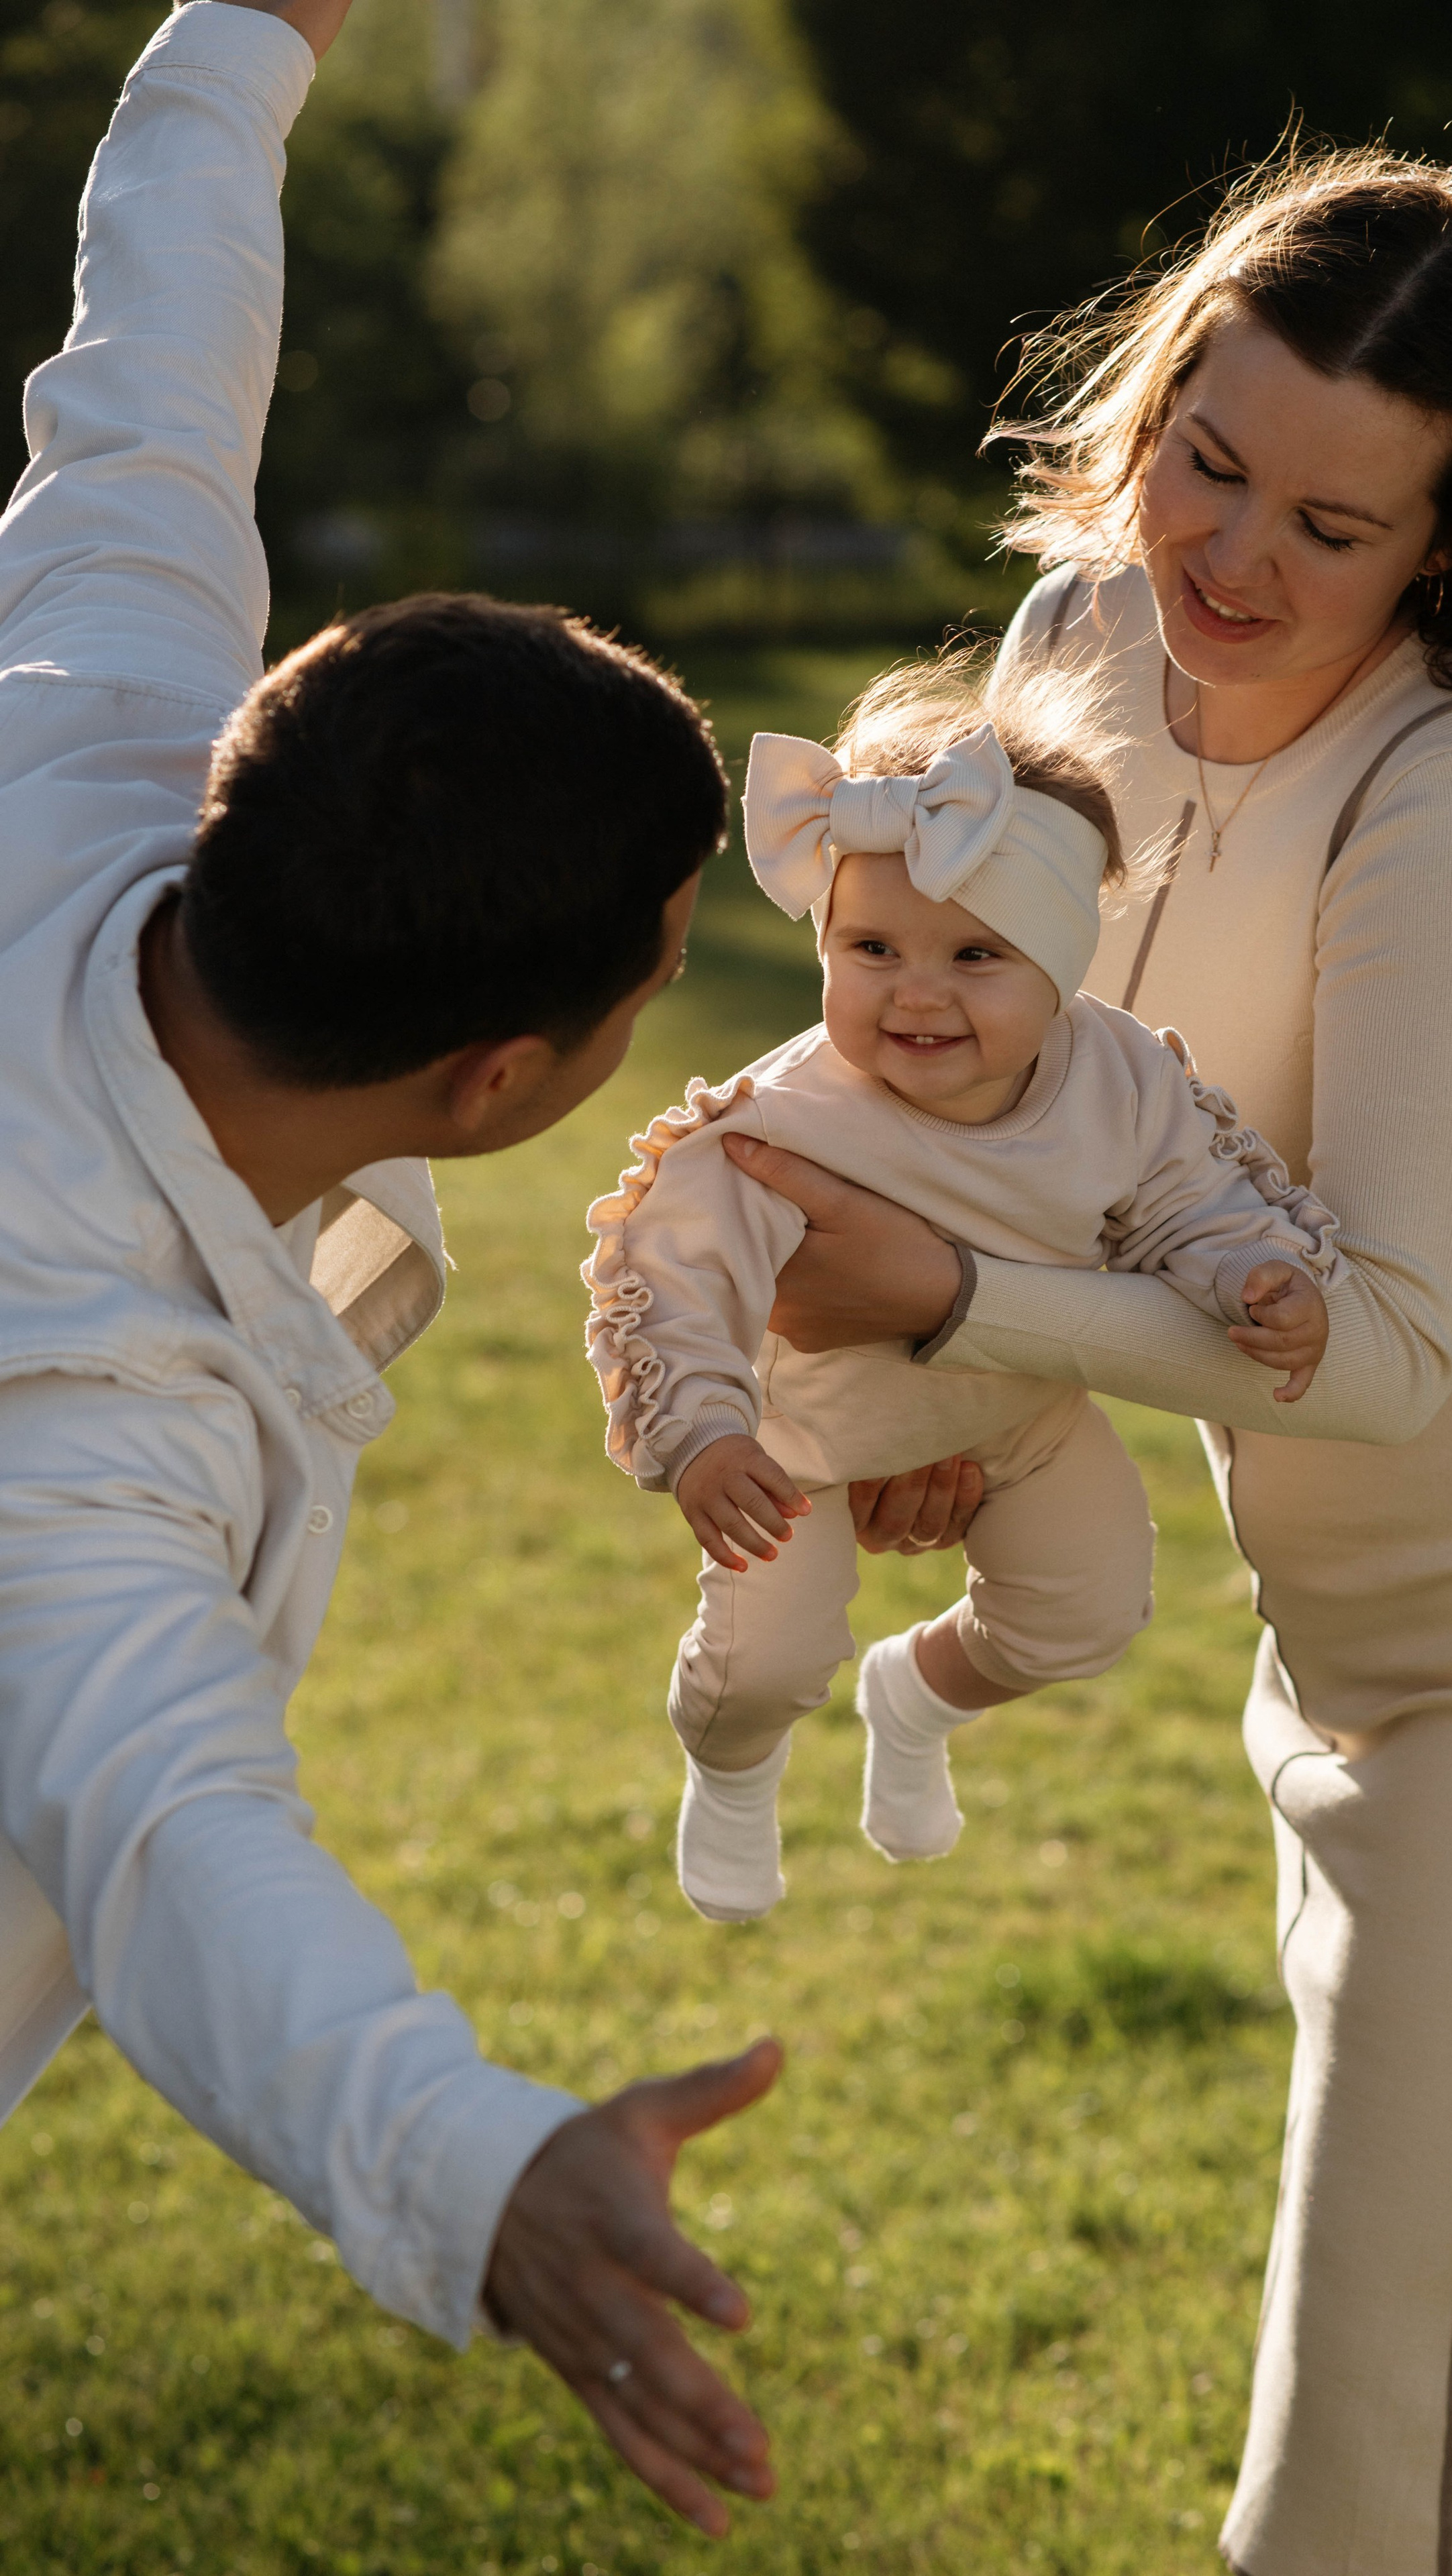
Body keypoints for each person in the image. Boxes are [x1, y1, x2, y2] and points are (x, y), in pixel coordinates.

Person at [715, 139, 1452, 2575]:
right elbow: (1052, 1108)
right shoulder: (1073, 643)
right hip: (1347, 1668)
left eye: (1338, 527)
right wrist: (966, 1402)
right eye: (1211, 458)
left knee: (1389, 2500)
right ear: (1153, 401)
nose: (1234, 560)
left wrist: (954, 1312)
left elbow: (1374, 1347)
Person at [0, 0, 779, 2538]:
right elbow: (178, 1844)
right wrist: (487, 2172)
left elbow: (151, 384)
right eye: (658, 960)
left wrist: (246, 37)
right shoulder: (66, 1408)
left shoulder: (101, 729)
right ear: (494, 1075)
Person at [584, 649, 1335, 1922]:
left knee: (1087, 1613)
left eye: (975, 958)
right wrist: (705, 1435)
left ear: (1061, 966)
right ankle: (733, 1769)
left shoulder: (1120, 1079)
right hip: (801, 1444)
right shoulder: (782, 1121)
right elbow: (670, 1277)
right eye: (871, 947)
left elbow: (1182, 1198)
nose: (915, 994)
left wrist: (1256, 1273)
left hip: (1021, 1411)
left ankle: (918, 1693)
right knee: (757, 1665)